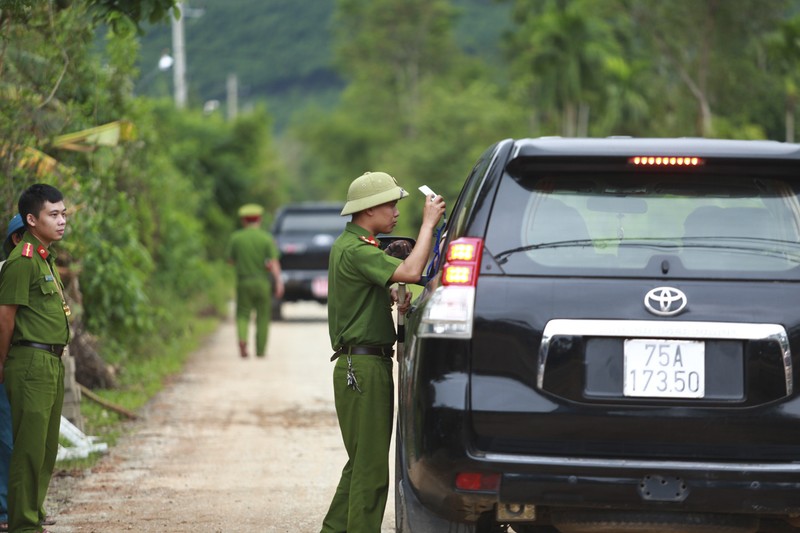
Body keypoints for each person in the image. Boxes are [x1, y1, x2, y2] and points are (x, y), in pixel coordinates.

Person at [320, 171, 445, 533]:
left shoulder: (357, 247)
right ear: (369, 209)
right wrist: (429, 225)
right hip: (363, 368)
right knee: (372, 471)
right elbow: (411, 269)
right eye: (390, 205)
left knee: (360, 463)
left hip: (361, 364)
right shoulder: (357, 250)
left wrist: (391, 298)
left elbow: (378, 288)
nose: (395, 213)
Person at [0, 184, 70, 533]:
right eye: (53, 215)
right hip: (30, 362)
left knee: (44, 447)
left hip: (51, 362)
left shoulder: (45, 257)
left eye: (63, 214)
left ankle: (34, 512)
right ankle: (23, 524)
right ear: (31, 219)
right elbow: (6, 316)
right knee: (27, 449)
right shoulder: (22, 260)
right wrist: (1, 364)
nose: (61, 221)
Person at [225, 203, 284, 358]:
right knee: (263, 316)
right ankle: (260, 350)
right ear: (259, 219)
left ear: (244, 220)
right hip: (262, 283)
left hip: (243, 282)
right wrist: (278, 282)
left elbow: (230, 261)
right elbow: (274, 263)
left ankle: (243, 339)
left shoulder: (236, 238)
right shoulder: (266, 238)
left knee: (243, 314)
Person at [0, 214, 25, 533]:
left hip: (24, 365)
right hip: (7, 363)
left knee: (22, 436)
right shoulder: (9, 271)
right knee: (7, 437)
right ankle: (6, 509)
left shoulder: (37, 267)